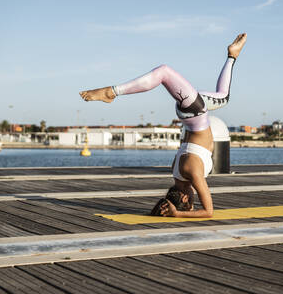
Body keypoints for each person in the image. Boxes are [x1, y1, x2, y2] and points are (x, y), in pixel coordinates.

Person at [79, 33, 247, 218]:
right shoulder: (176, 172)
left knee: (164, 72)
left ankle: (111, 92)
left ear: (184, 199)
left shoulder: (192, 172)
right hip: (191, 116)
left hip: (196, 114)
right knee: (222, 96)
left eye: (192, 202)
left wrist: (178, 214)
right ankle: (232, 55)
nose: (194, 198)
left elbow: (208, 212)